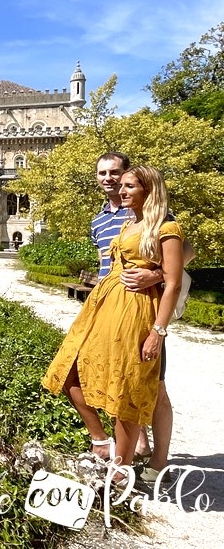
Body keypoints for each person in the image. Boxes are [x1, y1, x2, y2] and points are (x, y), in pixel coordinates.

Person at [42, 165, 184, 479]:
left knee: (134, 389)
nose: (120, 188)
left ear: (148, 189)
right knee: (72, 371)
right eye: (120, 184)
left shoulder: (165, 224)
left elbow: (174, 277)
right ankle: (108, 445)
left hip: (137, 311)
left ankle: (130, 469)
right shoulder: (121, 222)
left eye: (129, 185)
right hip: (106, 306)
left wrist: (157, 330)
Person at [91, 153, 193, 481]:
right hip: (111, 307)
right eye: (104, 174)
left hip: (144, 308)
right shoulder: (105, 220)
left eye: (118, 175)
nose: (111, 181)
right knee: (118, 382)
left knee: (153, 387)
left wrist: (155, 275)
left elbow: (183, 255)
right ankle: (135, 448)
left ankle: (155, 462)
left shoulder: (157, 216)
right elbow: (106, 265)